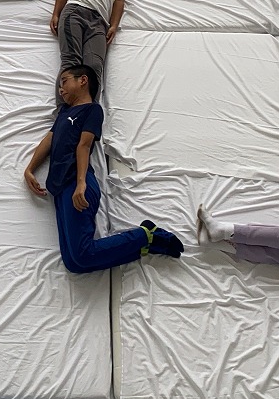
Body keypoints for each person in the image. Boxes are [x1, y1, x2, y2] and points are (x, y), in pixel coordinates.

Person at [24, 65, 184, 273]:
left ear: (83, 80)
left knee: (83, 254)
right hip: (59, 188)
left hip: (76, 182)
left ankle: (145, 235)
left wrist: (80, 183)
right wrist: (30, 169)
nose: (60, 89)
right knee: (73, 263)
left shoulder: (92, 110)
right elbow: (49, 139)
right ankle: (145, 246)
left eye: (64, 81)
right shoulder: (64, 112)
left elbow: (84, 146)